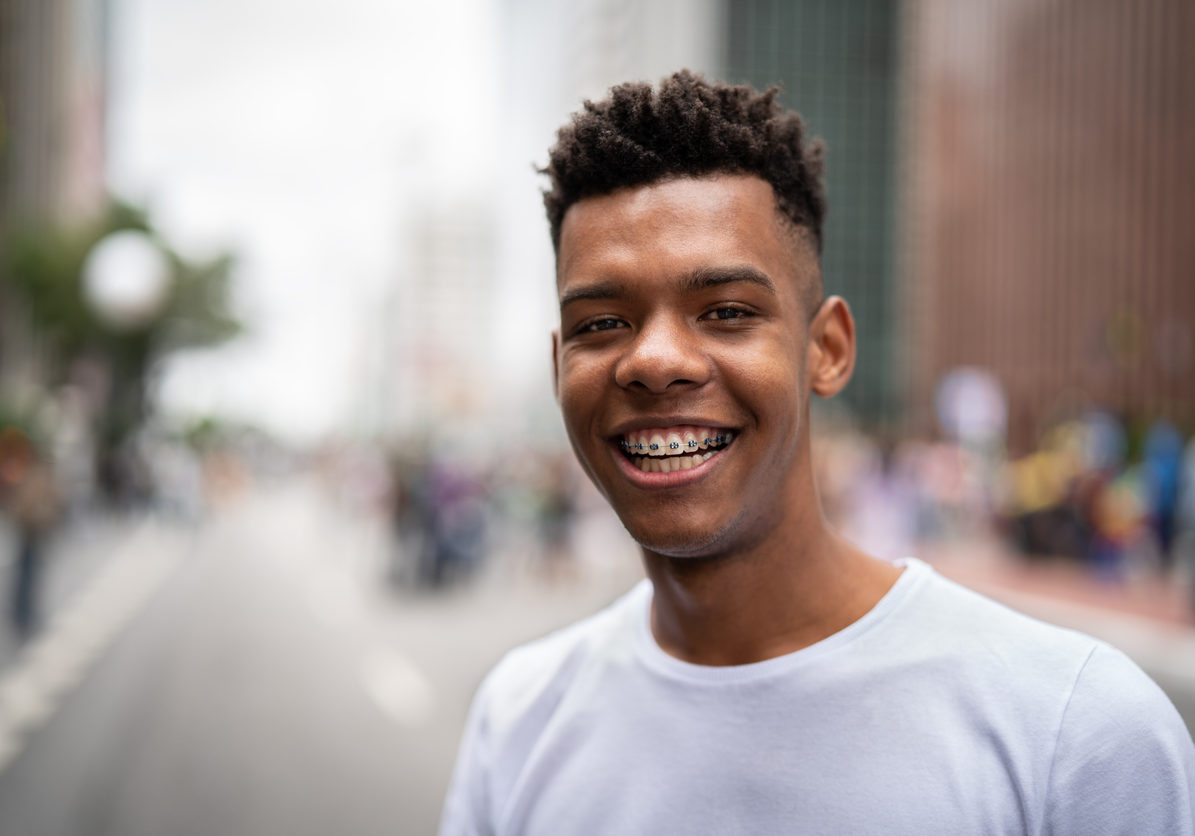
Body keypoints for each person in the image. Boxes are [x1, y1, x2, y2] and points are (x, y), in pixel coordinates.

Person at [439, 71, 1195, 834]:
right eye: (600, 323)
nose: (654, 360)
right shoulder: (516, 719)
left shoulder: (1074, 733)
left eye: (726, 312)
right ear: (556, 366)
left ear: (826, 349)